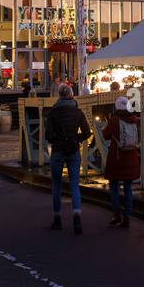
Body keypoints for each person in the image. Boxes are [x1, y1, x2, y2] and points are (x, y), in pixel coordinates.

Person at [45, 83, 90, 233]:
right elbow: (87, 132)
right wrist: (75, 138)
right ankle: (76, 215)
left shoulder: (53, 113)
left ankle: (57, 219)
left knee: (56, 185)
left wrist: (58, 138)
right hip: (73, 149)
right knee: (74, 184)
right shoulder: (77, 112)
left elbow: (48, 136)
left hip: (58, 150)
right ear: (71, 95)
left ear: (59, 95)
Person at [102, 94, 140, 228]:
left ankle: (116, 214)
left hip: (117, 158)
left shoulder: (114, 119)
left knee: (114, 187)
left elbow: (105, 135)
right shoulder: (134, 120)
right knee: (128, 188)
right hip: (131, 158)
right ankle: (127, 217)